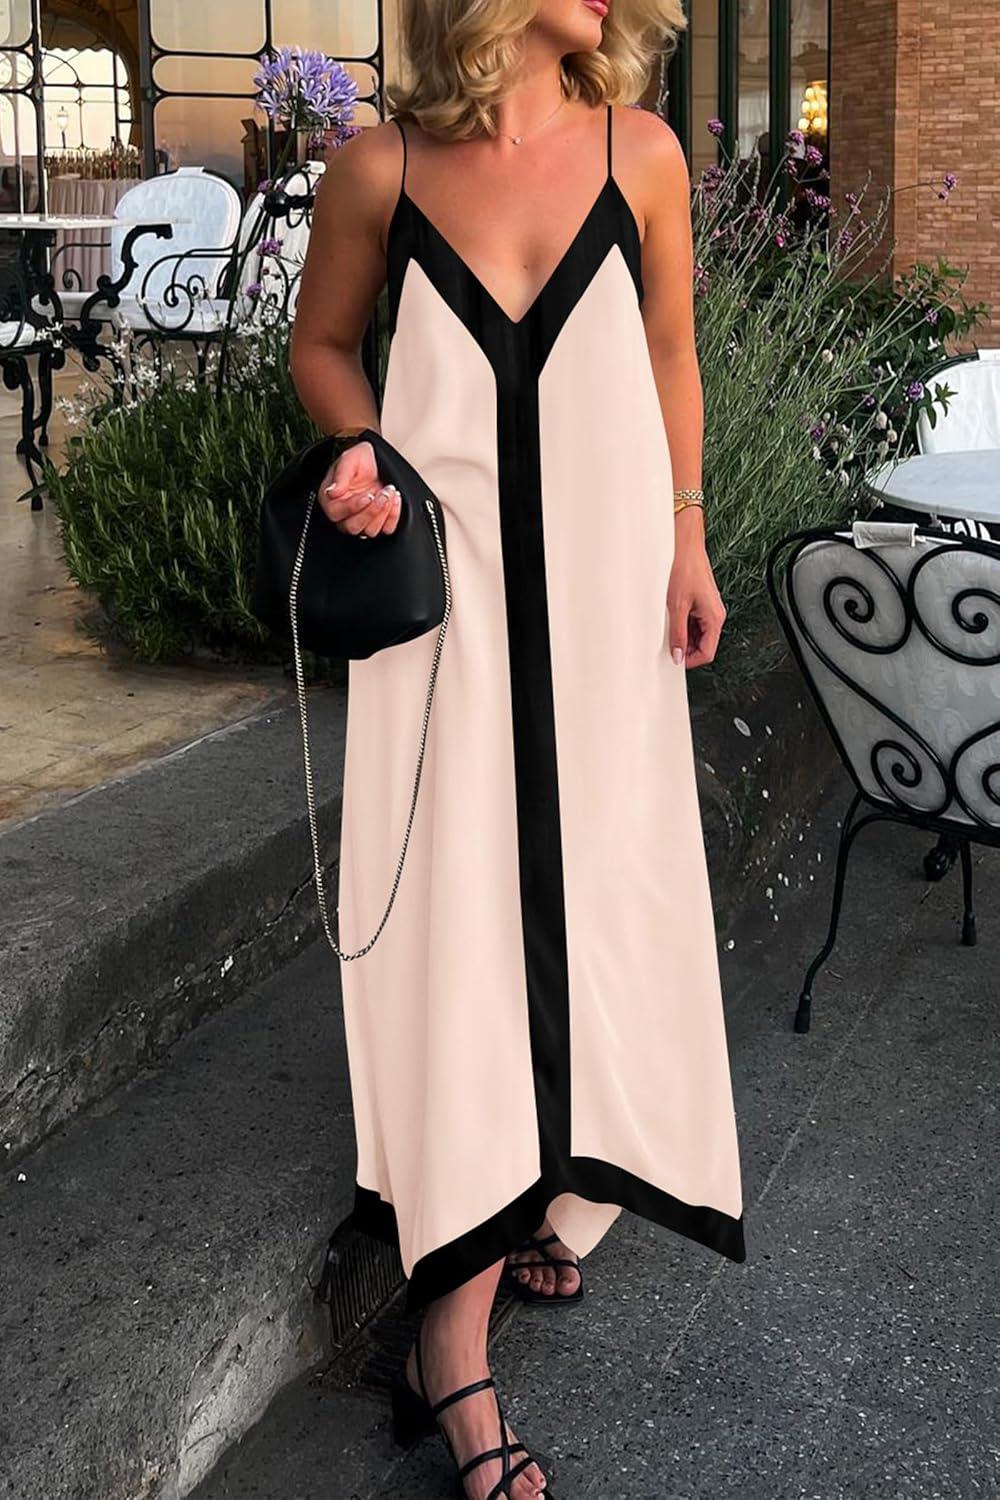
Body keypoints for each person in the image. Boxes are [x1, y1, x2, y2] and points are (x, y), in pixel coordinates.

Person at [289, 2, 746, 1495]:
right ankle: (453, 1342)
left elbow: (670, 354)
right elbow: (322, 348)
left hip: (608, 599)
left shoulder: (644, 154)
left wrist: (689, 540)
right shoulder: (380, 169)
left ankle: (553, 1176)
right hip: (446, 606)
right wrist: (360, 449)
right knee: (462, 917)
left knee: (597, 888)